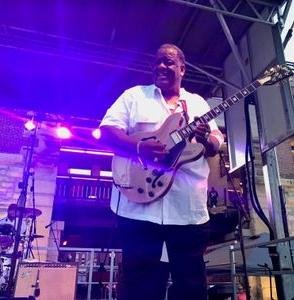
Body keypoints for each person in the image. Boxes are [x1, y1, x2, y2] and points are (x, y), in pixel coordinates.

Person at [100, 44, 224, 300]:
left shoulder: (198, 104)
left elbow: (214, 143)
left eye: (168, 62)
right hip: (138, 207)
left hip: (187, 209)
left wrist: (205, 140)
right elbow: (106, 132)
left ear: (182, 69)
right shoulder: (134, 96)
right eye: (157, 62)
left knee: (191, 285)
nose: (160, 67)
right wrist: (138, 147)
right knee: (140, 286)